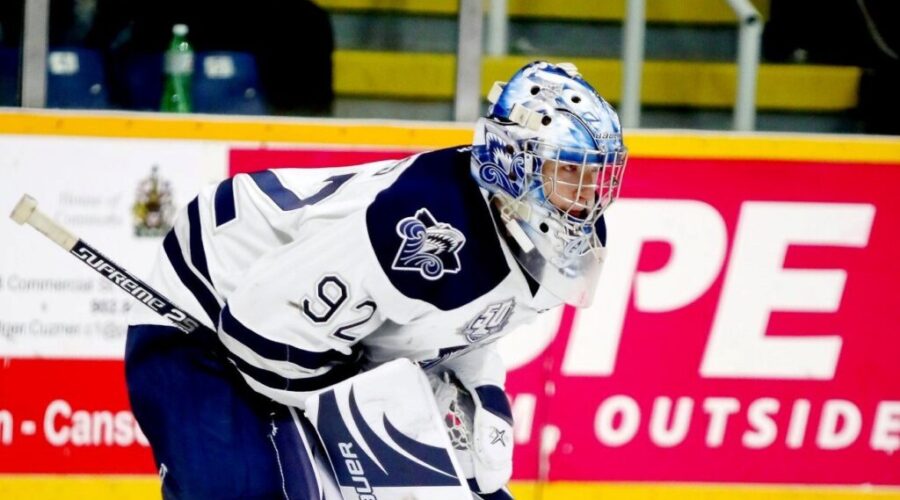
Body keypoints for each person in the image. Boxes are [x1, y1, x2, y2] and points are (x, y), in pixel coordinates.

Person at [125, 60, 627, 499]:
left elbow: (468, 329)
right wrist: (380, 412)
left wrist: (482, 393)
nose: (588, 199)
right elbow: (258, 332)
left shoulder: (555, 240)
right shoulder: (422, 228)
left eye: (597, 176)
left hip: (314, 342)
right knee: (260, 490)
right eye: (570, 172)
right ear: (514, 164)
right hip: (212, 302)